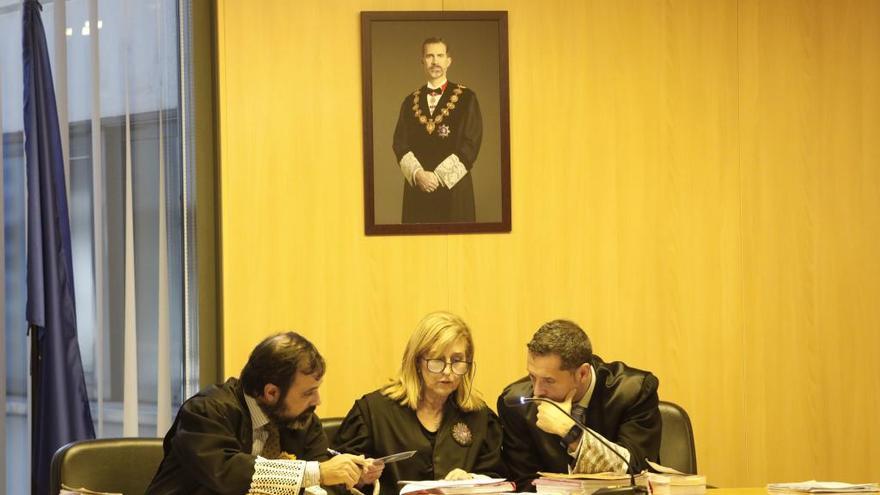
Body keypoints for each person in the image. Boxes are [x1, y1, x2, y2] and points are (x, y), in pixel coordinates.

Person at [146, 332, 384, 495]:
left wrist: (348, 477)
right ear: (271, 392)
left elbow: (323, 479)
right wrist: (317, 473)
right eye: (308, 392)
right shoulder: (206, 412)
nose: (317, 401)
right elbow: (228, 473)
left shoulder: (301, 420)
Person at [332, 312, 506, 495]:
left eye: (457, 361)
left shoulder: (480, 416)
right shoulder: (373, 412)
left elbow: (498, 478)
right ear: (417, 362)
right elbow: (335, 480)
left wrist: (471, 481)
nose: (448, 371)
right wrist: (360, 479)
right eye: (437, 360)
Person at [497, 320, 661, 491]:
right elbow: (525, 483)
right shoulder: (515, 405)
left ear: (582, 373)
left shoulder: (634, 392)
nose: (537, 391)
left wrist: (571, 433)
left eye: (549, 381)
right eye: (532, 376)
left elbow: (636, 473)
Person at [392, 37, 483, 224]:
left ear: (448, 61)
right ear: (422, 61)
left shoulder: (467, 98)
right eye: (429, 56)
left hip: (455, 191)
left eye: (440, 56)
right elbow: (400, 143)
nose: (435, 61)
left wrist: (438, 177)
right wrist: (418, 174)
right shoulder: (409, 102)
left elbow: (471, 144)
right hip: (418, 191)